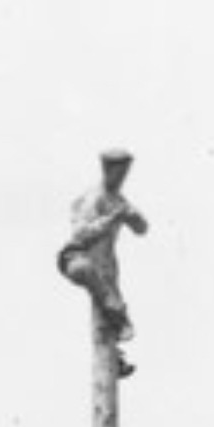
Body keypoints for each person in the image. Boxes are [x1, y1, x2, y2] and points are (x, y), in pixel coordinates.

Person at [56, 148, 148, 378]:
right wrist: (110, 220)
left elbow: (142, 228)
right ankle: (118, 317)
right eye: (118, 172)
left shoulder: (119, 200)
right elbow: (80, 234)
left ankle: (114, 358)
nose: (122, 178)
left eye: (125, 172)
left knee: (105, 316)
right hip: (78, 255)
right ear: (107, 171)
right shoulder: (94, 197)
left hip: (106, 265)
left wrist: (133, 218)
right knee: (87, 276)